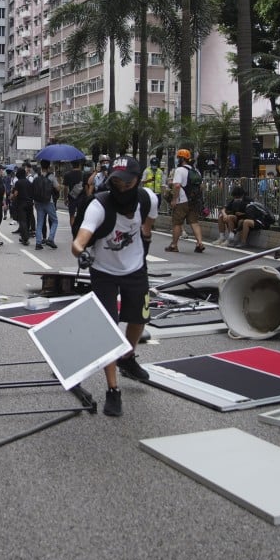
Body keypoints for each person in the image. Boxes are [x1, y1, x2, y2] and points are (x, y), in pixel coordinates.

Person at [71, 155, 158, 418]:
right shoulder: (99, 206)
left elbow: (148, 227)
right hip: (104, 272)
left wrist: (144, 244)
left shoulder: (148, 199)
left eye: (126, 183)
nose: (120, 188)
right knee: (109, 329)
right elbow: (79, 240)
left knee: (138, 318)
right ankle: (112, 389)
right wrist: (81, 252)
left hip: (135, 269)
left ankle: (127, 359)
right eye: (116, 183)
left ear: (137, 182)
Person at [165, 148, 206, 253]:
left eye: (178, 158)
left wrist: (174, 200)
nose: (177, 159)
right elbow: (201, 186)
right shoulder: (196, 171)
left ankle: (174, 245)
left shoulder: (179, 170)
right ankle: (199, 243)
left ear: (181, 159)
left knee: (177, 223)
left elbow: (177, 186)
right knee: (194, 222)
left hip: (182, 201)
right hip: (194, 201)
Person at [34, 159, 59, 249]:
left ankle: (38, 243)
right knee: (55, 221)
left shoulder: (36, 176)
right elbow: (58, 188)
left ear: (41, 166)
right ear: (48, 167)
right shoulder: (51, 176)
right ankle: (50, 239)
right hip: (49, 201)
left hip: (38, 202)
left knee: (40, 222)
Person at [10, 163, 35, 246]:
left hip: (21, 204)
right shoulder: (29, 182)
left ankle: (25, 238)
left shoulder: (18, 183)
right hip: (30, 204)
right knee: (27, 221)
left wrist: (12, 197)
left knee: (22, 221)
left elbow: (16, 193)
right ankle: (25, 236)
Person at [63, 159, 85, 230]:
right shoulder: (83, 174)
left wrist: (65, 198)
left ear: (71, 165)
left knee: (72, 216)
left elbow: (65, 188)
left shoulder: (67, 175)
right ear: (79, 165)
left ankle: (73, 231)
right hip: (82, 197)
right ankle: (79, 230)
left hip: (71, 198)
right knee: (81, 215)